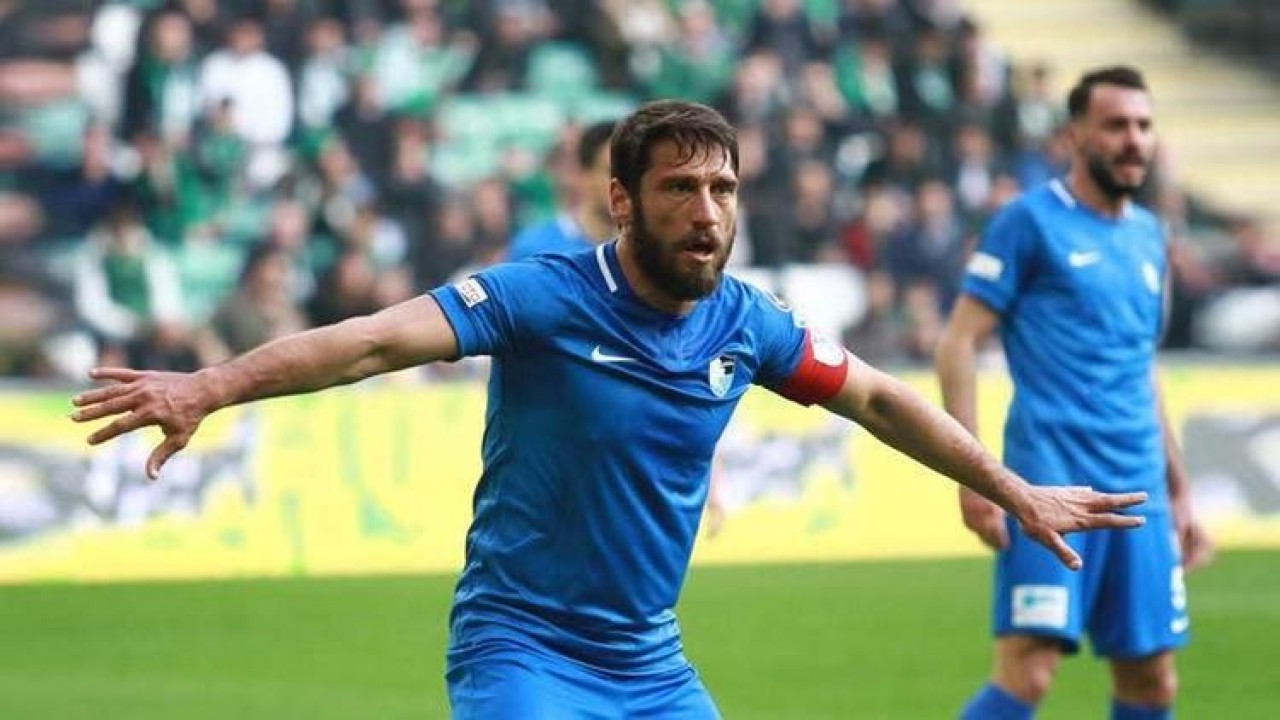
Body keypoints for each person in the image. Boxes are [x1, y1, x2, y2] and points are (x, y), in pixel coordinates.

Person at [73, 100, 1147, 719]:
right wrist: (206, 385)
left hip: (649, 663)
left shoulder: (748, 323)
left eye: (723, 189)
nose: (707, 211)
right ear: (622, 200)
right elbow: (370, 341)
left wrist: (1009, 485)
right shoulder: (541, 296)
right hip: (521, 650)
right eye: (681, 188)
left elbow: (875, 398)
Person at [935, 67, 1214, 720]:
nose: (1133, 140)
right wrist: (974, 476)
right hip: (1050, 480)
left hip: (1139, 490)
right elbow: (957, 342)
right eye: (1115, 125)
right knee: (1028, 672)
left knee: (1152, 680)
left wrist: (1178, 487)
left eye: (1143, 125)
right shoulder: (1027, 222)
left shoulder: (1150, 236)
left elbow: (1142, 366)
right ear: (1075, 136)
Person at [506, 120, 617, 261]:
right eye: (612, 173)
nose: (624, 184)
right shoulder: (535, 250)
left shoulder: (641, 249)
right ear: (584, 174)